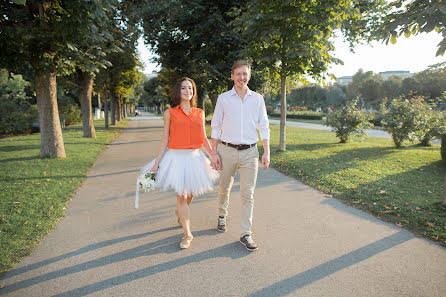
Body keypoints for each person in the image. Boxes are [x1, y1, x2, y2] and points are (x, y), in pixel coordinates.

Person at [140, 77, 219, 249]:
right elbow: (164, 139)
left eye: (190, 88)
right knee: (182, 196)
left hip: (195, 158)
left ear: (193, 91)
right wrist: (156, 164)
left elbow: (203, 138)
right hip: (175, 159)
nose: (187, 91)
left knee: (190, 195)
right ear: (178, 91)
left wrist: (213, 155)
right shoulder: (170, 113)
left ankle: (179, 212)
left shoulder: (199, 112)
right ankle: (187, 234)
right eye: (184, 88)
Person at [210, 60, 270, 252]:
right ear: (232, 76)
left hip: (250, 153)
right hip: (226, 150)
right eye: (238, 74)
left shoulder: (257, 99)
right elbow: (216, 126)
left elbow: (264, 126)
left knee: (248, 194)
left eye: (245, 74)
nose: (242, 77)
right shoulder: (223, 98)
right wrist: (214, 152)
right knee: (224, 188)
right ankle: (221, 215)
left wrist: (266, 152)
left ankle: (245, 233)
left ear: (249, 76)